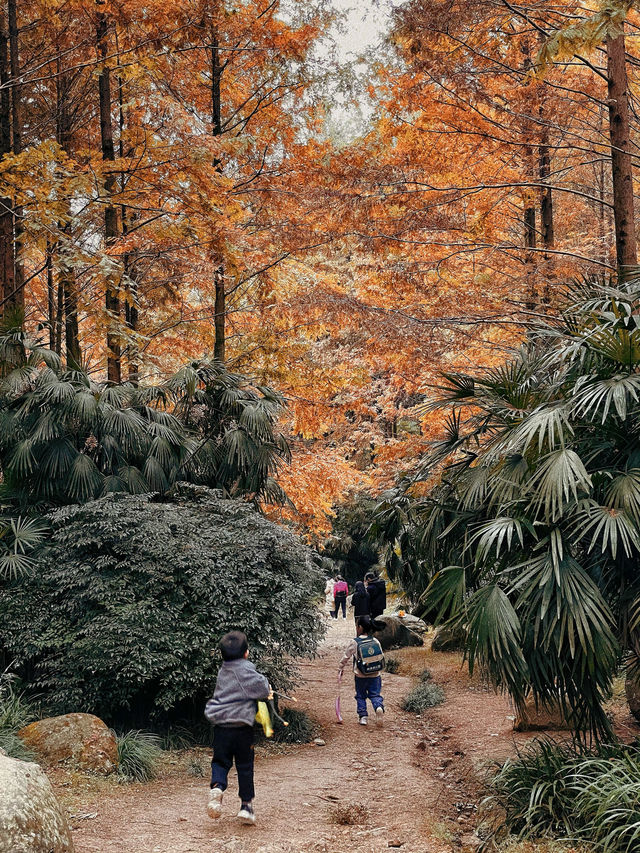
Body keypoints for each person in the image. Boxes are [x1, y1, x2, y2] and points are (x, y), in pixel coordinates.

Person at [204, 630, 270, 825]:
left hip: (221, 727)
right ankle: (246, 806)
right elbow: (261, 688)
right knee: (244, 766)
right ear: (246, 653)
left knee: (220, 762)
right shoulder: (246, 669)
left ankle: (217, 788)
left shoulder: (223, 670)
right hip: (241, 728)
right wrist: (267, 688)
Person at [337, 616, 385, 726]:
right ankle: (378, 707)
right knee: (375, 695)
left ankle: (363, 716)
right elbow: (380, 656)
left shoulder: (355, 642)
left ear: (360, 627)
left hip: (360, 675)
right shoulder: (375, 640)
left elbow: (346, 656)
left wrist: (340, 668)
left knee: (360, 695)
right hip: (375, 675)